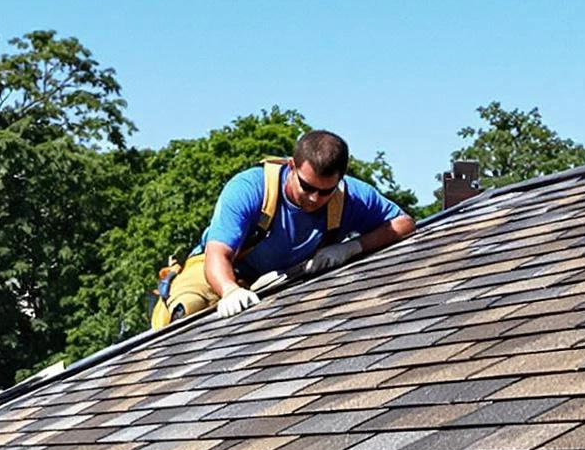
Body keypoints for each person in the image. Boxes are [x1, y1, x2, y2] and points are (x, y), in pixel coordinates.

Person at [163, 130, 415, 322]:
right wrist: (229, 290)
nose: (315, 198)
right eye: (307, 187)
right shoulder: (250, 188)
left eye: (326, 191)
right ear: (291, 166)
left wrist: (353, 247)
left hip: (279, 281)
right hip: (217, 273)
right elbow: (218, 254)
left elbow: (403, 223)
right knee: (187, 309)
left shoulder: (352, 196)